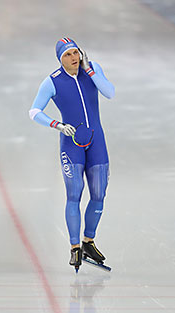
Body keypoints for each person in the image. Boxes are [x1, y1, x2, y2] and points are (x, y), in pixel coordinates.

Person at [29, 37, 115, 272]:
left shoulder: (92, 69)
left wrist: (90, 71)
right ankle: (75, 246)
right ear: (60, 59)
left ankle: (89, 241)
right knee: (74, 193)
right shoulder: (52, 82)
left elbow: (110, 92)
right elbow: (34, 111)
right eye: (67, 55)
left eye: (75, 52)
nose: (74, 58)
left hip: (97, 142)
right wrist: (56, 124)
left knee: (99, 193)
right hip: (72, 143)